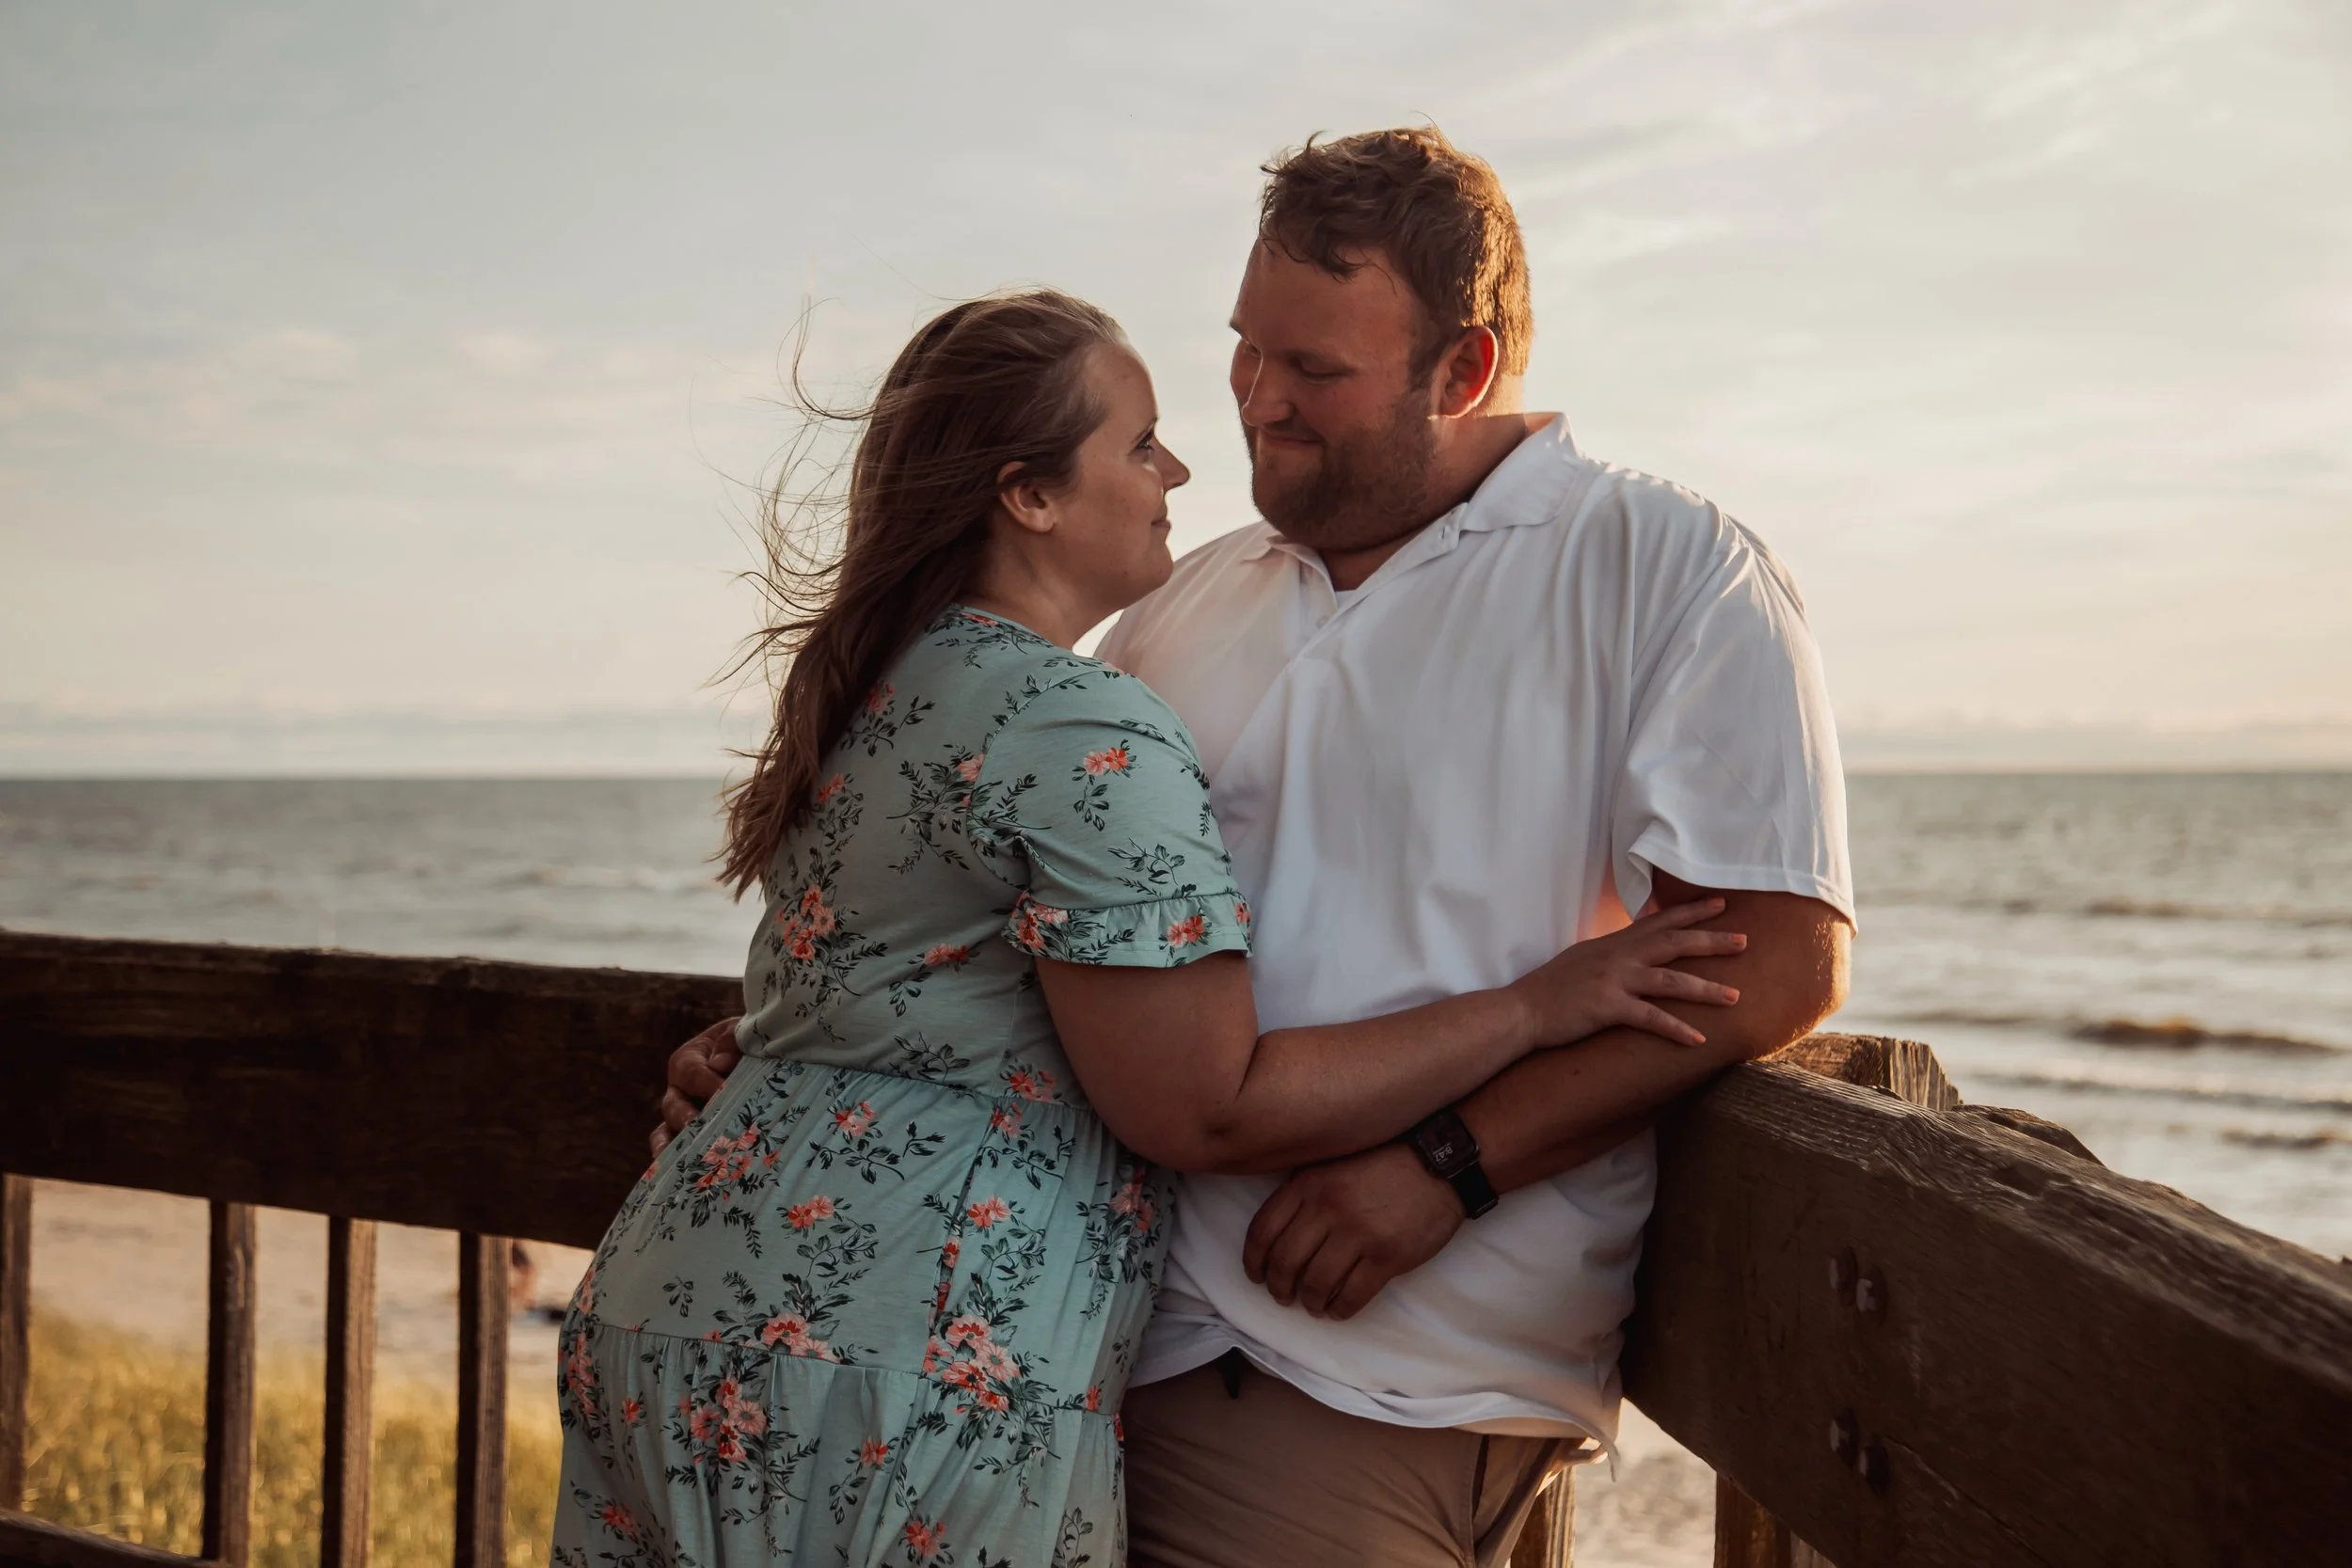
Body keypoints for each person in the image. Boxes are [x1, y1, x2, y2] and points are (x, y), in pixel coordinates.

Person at [660, 129, 1855, 1566]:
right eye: (1245, 349)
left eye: (1316, 373)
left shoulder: (1662, 567)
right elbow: (1031, 918)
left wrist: (1450, 1166)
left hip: (1358, 1368)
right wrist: (810, 1057)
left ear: (1464, 372)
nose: (1256, 405)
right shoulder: (1178, 602)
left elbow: (1776, 958)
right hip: (1111, 1346)